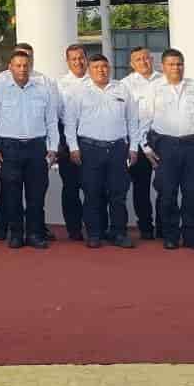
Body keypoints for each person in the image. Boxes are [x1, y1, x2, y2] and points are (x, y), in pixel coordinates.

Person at [137, 49, 194, 251]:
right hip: (166, 146)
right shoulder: (154, 89)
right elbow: (143, 120)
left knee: (193, 194)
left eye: (179, 64)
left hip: (192, 146)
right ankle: (170, 236)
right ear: (163, 67)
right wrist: (145, 148)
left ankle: (192, 236)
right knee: (167, 194)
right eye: (171, 64)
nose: (176, 68)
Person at [63, 54, 140, 249]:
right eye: (96, 67)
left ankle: (118, 233)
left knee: (118, 194)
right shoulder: (79, 92)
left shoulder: (122, 89)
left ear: (110, 68)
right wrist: (73, 147)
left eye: (105, 66)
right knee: (92, 193)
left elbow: (132, 120)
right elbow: (70, 123)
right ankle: (94, 234)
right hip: (89, 149)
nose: (101, 70)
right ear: (89, 69)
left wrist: (133, 147)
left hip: (117, 149)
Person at [0, 47, 58, 249]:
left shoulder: (43, 89)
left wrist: (53, 147)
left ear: (31, 66)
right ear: (10, 67)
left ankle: (35, 234)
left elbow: (51, 120)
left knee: (36, 195)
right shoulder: (0, 88)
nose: (22, 69)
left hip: (36, 147)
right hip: (9, 147)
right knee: (12, 194)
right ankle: (16, 234)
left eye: (26, 65)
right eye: (18, 65)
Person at [120, 47, 163, 240]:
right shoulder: (125, 85)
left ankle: (164, 226)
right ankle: (145, 226)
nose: (143, 62)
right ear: (132, 64)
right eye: (138, 59)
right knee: (141, 187)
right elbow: (127, 118)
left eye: (146, 58)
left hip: (163, 140)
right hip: (137, 142)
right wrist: (138, 145)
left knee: (165, 187)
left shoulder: (164, 80)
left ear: (152, 59)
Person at [54, 44, 90, 241]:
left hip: (92, 136)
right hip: (67, 137)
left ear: (87, 58)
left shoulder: (95, 80)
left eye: (81, 58)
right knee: (71, 186)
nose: (78, 62)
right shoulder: (59, 84)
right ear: (67, 62)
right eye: (73, 59)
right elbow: (55, 114)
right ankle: (74, 229)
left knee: (93, 186)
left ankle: (95, 226)